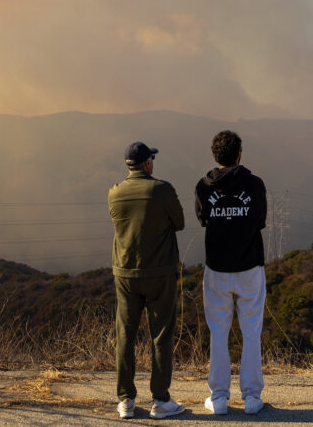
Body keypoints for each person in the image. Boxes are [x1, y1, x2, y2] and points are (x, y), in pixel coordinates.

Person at [109, 141, 185, 419]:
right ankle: (161, 400)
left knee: (125, 335)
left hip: (125, 273)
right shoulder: (162, 190)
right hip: (160, 273)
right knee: (161, 335)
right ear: (148, 163)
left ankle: (125, 400)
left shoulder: (114, 194)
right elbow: (180, 222)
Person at [194, 130, 267, 416]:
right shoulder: (255, 184)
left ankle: (219, 398)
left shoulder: (203, 186)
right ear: (239, 154)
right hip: (249, 267)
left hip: (217, 270)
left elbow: (203, 219)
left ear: (216, 156)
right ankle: (251, 398)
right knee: (251, 332)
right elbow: (259, 219)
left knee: (218, 332)